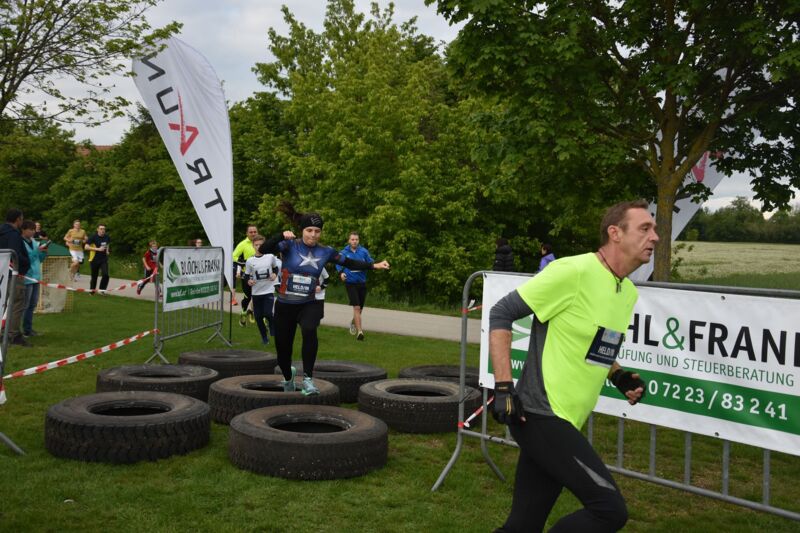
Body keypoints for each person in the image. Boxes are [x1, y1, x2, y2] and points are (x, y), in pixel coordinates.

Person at [489, 199, 656, 533]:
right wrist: (504, 387)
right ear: (615, 233)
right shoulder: (573, 271)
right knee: (609, 510)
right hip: (540, 415)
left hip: (566, 419)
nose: (655, 237)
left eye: (653, 229)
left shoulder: (626, 291)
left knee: (523, 525)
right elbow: (501, 312)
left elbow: (597, 343)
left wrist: (619, 375)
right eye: (645, 228)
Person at [259, 205, 389, 395]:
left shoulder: (325, 251)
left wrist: (374, 265)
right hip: (285, 305)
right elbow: (263, 249)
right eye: (309, 230)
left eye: (317, 231)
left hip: (309, 303)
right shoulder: (289, 245)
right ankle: (288, 376)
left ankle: (308, 379)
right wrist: (280, 236)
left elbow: (348, 262)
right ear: (302, 230)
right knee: (283, 352)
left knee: (309, 329)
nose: (313, 235)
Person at [0, 208, 30, 346]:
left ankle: (5, 331)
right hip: (13, 273)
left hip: (3, 273)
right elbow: (15, 254)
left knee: (4, 303)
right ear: (18, 219)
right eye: (22, 219)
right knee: (16, 302)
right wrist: (25, 263)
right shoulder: (13, 235)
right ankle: (13, 334)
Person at [335, 231, 374, 341]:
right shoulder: (343, 252)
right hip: (350, 283)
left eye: (356, 239)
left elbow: (370, 263)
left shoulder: (364, 251)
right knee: (356, 307)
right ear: (349, 240)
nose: (354, 241)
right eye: (352, 239)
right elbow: (338, 264)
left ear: (358, 240)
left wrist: (374, 265)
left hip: (362, 283)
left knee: (359, 309)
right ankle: (360, 332)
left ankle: (353, 322)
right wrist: (341, 273)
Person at [243, 234, 279, 345]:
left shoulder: (270, 257)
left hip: (268, 290)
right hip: (256, 292)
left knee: (268, 313)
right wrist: (249, 281)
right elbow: (246, 276)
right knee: (258, 317)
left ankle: (272, 326)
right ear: (253, 246)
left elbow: (276, 268)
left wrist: (274, 274)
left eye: (261, 245)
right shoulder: (250, 261)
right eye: (256, 245)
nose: (258, 247)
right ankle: (264, 337)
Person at [21, 220, 47, 337]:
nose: (32, 232)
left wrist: (44, 253)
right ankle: (15, 331)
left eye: (33, 229)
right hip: (26, 277)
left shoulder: (35, 242)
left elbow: (38, 259)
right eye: (30, 229)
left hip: (36, 277)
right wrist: (37, 251)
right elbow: (26, 260)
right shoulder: (21, 243)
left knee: (32, 304)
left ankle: (28, 329)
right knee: (24, 305)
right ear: (23, 230)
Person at [233, 225, 259, 326]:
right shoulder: (243, 244)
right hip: (247, 275)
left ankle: (253, 313)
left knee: (258, 297)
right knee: (247, 297)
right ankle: (243, 313)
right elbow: (233, 256)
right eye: (251, 232)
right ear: (247, 233)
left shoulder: (261, 243)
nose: (253, 234)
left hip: (260, 275)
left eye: (255, 232)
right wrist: (242, 262)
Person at [85, 224, 111, 294]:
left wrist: (107, 251)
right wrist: (98, 249)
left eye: (104, 229)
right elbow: (86, 247)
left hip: (103, 259)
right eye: (101, 229)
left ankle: (102, 290)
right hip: (94, 259)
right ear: (98, 229)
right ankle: (92, 291)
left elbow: (107, 244)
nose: (103, 230)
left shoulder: (107, 237)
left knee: (106, 275)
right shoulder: (93, 237)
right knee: (94, 276)